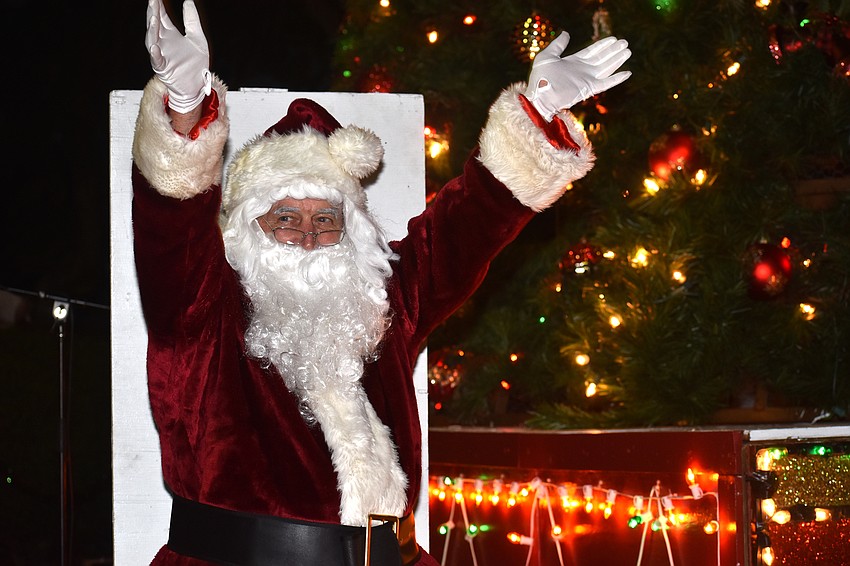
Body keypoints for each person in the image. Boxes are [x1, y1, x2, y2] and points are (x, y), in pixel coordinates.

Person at [131, 0, 631, 564]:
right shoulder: (205, 306)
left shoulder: (379, 302)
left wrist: (538, 109)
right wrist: (184, 105)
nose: (308, 237)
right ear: (249, 226)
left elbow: (466, 227)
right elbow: (170, 227)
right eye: (285, 219)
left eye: (326, 219)